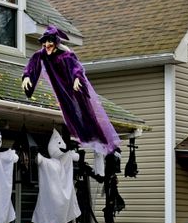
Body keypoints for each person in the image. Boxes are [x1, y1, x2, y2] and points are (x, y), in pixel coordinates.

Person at [22, 26, 120, 155]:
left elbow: (76, 67)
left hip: (73, 88)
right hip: (61, 90)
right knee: (70, 112)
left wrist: (77, 78)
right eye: (44, 42)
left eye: (50, 41)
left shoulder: (66, 56)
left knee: (83, 110)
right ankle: (84, 136)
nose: (47, 45)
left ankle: (100, 139)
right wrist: (27, 76)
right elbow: (32, 64)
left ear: (56, 42)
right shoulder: (42, 55)